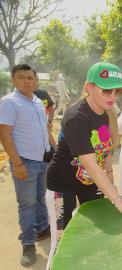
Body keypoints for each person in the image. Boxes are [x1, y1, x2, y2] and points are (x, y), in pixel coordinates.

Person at [45, 62, 122, 269]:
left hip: (90, 182)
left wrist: (110, 176)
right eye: (106, 90)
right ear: (90, 88)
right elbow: (90, 164)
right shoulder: (76, 118)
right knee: (65, 240)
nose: (113, 96)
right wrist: (118, 199)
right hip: (64, 184)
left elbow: (104, 149)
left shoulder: (104, 112)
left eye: (116, 91)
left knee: (101, 228)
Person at [0, 64, 50, 266]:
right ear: (13, 80)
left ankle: (43, 228)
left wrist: (53, 149)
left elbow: (45, 129)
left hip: (42, 159)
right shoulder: (9, 102)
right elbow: (4, 134)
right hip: (25, 162)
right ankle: (28, 244)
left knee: (40, 197)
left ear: (35, 80)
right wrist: (18, 163)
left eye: (30, 77)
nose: (27, 81)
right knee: (27, 203)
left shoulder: (37, 101)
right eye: (21, 77)